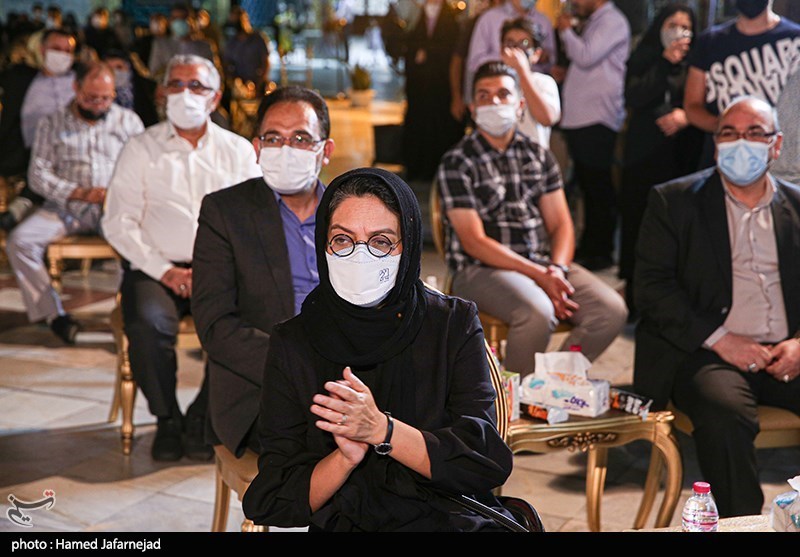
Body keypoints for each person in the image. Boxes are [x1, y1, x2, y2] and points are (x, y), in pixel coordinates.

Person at [241, 167, 514, 531]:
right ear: (323, 245)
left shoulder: (451, 323)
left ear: (408, 245)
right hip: (348, 521)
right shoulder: (295, 341)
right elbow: (272, 501)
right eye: (343, 239)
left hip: (448, 515)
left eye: (381, 241)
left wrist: (383, 431)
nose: (360, 256)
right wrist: (344, 459)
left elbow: (484, 462)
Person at [633, 96, 800, 518]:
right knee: (724, 414)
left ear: (777, 145)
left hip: (787, 350)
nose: (740, 143)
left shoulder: (797, 206)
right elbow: (651, 289)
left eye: (754, 133)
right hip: (707, 352)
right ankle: (741, 524)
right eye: (729, 133)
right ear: (715, 144)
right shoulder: (674, 201)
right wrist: (722, 339)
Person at [101, 54, 261, 462]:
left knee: (249, 324)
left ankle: (203, 415)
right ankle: (167, 418)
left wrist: (217, 271)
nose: (185, 93)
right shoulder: (140, 148)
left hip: (221, 270)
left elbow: (253, 219)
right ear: (162, 92)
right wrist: (165, 270)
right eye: (176, 84)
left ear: (215, 97)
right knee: (148, 324)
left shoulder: (238, 151)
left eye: (196, 86)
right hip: (156, 268)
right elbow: (118, 221)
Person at [437, 61, 627, 377]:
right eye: (484, 96)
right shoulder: (457, 161)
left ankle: (551, 383)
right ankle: (516, 398)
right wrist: (539, 275)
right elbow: (474, 241)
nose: (494, 102)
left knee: (609, 310)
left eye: (503, 94)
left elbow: (561, 224)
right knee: (537, 311)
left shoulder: (538, 156)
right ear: (472, 108)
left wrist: (557, 270)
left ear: (520, 105)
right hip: (480, 269)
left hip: (540, 261)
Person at [192, 86, 335, 459]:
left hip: (349, 373)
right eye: (273, 138)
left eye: (301, 138)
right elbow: (215, 324)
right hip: (263, 386)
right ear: (257, 148)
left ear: (326, 150)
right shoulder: (226, 212)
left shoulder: (350, 212)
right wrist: (299, 367)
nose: (286, 149)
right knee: (337, 442)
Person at [6, 62, 144, 344]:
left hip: (113, 207)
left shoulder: (128, 122)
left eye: (106, 98)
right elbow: (38, 175)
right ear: (76, 88)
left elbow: (143, 168)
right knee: (20, 241)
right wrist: (77, 192)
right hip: (65, 207)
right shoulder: (52, 123)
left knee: (136, 244)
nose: (99, 104)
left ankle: (131, 314)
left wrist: (116, 192)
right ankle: (53, 314)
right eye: (91, 97)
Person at [618, 3, 704, 316]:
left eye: (686, 27)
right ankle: (634, 294)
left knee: (677, 227)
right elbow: (633, 95)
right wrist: (665, 62)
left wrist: (685, 116)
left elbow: (707, 102)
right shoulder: (645, 56)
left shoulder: (699, 61)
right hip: (643, 155)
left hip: (682, 155)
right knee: (637, 221)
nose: (679, 33)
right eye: (672, 26)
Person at [557, 0, 630, 272]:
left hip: (597, 117)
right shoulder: (596, 22)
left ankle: (601, 250)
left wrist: (566, 31)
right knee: (588, 186)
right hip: (583, 118)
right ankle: (589, 246)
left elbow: (586, 55)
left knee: (598, 187)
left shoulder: (613, 21)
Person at [683, 0, 800, 169]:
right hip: (723, 160)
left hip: (782, 163)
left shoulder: (795, 40)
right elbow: (692, 106)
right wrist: (731, 130)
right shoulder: (710, 42)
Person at [0, 28, 77, 232]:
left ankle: (24, 202)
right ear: (42, 50)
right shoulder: (21, 80)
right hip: (29, 153)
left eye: (67, 50)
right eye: (56, 49)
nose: (62, 55)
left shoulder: (79, 81)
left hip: (72, 152)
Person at [401, 0, 463, 182]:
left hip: (442, 89)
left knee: (440, 128)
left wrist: (428, 52)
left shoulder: (451, 20)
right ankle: (417, 168)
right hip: (419, 89)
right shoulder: (417, 16)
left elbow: (453, 52)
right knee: (419, 126)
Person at [464, 0, 555, 106]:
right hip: (497, 91)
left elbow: (551, 60)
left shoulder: (544, 21)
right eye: (510, 42)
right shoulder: (490, 18)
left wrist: (537, 61)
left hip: (533, 92)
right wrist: (508, 59)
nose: (517, 47)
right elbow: (474, 62)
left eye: (524, 43)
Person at [499, 16, 560, 148]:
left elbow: (547, 119)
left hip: (533, 155)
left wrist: (522, 71)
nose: (516, 50)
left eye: (524, 43)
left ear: (536, 54)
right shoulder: (495, 83)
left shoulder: (544, 82)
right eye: (510, 43)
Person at [148, 3, 221, 83]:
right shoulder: (161, 45)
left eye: (183, 18)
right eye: (175, 18)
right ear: (170, 21)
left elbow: (215, 74)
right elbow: (154, 73)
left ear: (192, 21)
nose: (179, 22)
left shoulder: (205, 46)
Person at [101, 49, 159, 128]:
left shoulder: (147, 88)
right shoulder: (97, 93)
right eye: (109, 69)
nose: (115, 72)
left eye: (119, 67)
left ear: (129, 68)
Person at [221, 7, 271, 96]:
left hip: (258, 83)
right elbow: (227, 63)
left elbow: (265, 62)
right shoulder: (231, 42)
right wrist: (234, 82)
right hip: (239, 86)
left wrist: (260, 82)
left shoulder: (258, 39)